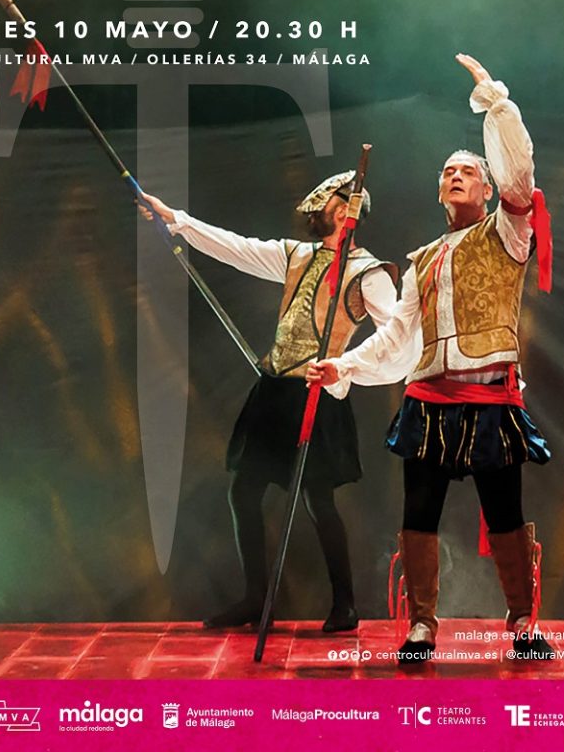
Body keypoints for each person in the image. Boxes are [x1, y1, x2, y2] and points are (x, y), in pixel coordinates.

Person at [308, 53, 553, 663]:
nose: (455, 176)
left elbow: (520, 173)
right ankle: (421, 626)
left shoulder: (508, 232)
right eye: (447, 171)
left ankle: (522, 623)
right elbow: (397, 336)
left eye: (467, 170)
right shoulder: (421, 260)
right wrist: (345, 366)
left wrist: (496, 103)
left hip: (489, 397)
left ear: (487, 188)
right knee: (418, 513)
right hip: (429, 401)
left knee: (505, 514)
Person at [139, 176, 398, 632]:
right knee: (243, 490)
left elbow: (396, 336)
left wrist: (346, 367)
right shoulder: (297, 255)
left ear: (344, 211)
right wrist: (176, 220)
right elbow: (237, 248)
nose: (311, 215)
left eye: (321, 207)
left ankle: (345, 606)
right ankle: (256, 599)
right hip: (276, 390)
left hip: (317, 392)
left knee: (318, 499)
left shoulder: (369, 274)